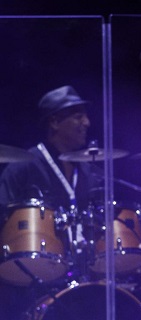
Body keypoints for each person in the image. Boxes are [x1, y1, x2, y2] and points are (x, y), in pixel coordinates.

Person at [0, 85, 102, 319]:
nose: (86, 123)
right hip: (27, 279)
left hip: (80, 270)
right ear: (54, 122)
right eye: (78, 116)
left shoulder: (89, 172)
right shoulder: (24, 165)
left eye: (86, 116)